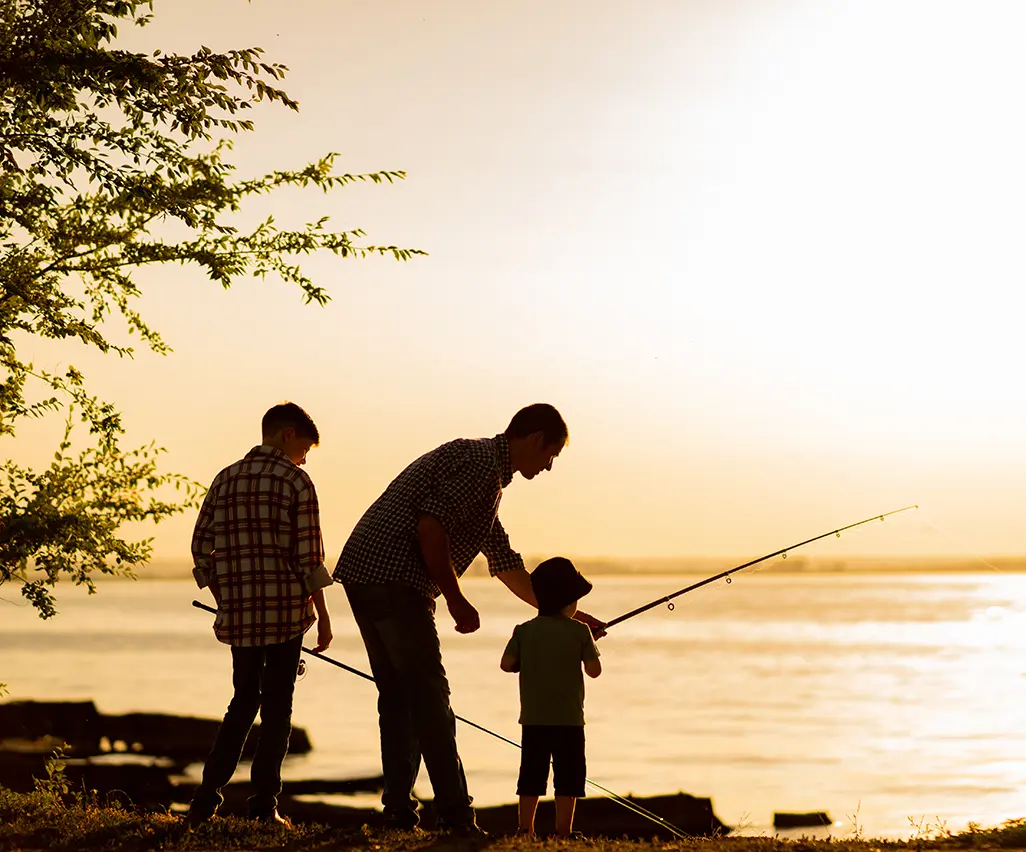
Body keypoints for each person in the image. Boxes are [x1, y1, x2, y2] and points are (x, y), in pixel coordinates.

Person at [333, 403, 605, 836]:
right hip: (393, 578)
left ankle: (399, 813)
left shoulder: (486, 477)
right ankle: (456, 816)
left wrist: (565, 613)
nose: (549, 467)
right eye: (551, 455)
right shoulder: (481, 466)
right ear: (536, 439)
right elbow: (430, 527)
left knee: (400, 698)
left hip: (363, 573)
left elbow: (504, 561)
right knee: (430, 699)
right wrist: (456, 598)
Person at [187, 402, 334, 826]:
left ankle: (204, 802)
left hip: (240, 617)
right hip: (286, 612)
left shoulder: (225, 478)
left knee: (242, 703)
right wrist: (324, 616)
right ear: (287, 434)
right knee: (277, 708)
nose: (304, 459)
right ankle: (264, 806)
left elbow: (201, 550)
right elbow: (309, 558)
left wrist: (226, 597)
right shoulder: (296, 481)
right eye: (303, 449)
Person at [500, 557, 602, 839]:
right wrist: (588, 645)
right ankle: (563, 831)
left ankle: (525, 829)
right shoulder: (580, 631)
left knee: (531, 775)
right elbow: (594, 671)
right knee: (569, 777)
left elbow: (506, 664)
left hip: (533, 719)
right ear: (570, 601)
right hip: (569, 720)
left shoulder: (524, 630)